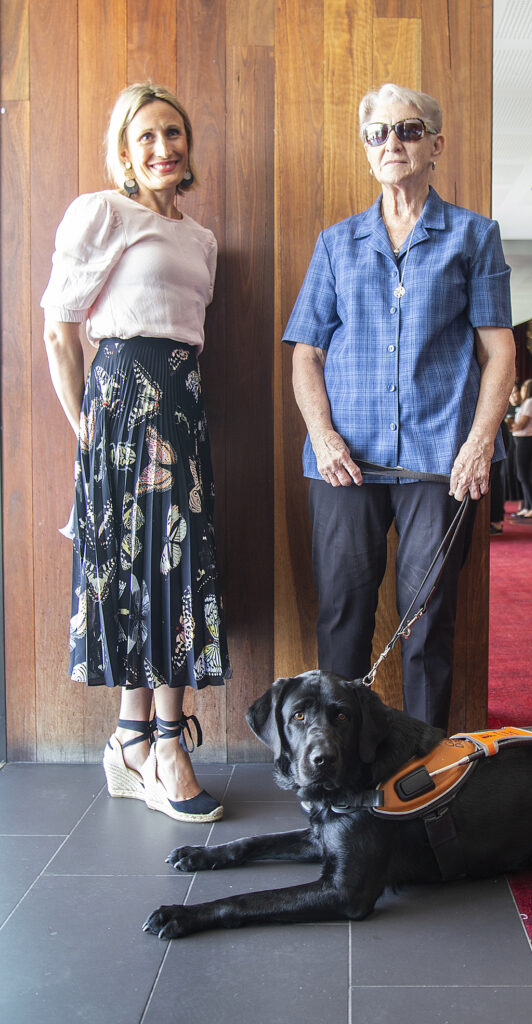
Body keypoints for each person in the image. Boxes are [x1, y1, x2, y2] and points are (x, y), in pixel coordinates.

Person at [283, 83, 515, 730]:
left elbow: (498, 353)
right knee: (343, 613)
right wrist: (323, 436)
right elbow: (305, 353)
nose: (393, 143)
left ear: (434, 144)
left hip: (439, 460)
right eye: (378, 133)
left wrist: (477, 446)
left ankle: (425, 769)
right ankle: (338, 760)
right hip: (344, 462)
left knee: (428, 615)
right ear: (366, 149)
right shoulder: (336, 244)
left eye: (408, 130)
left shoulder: (473, 237)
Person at [41, 83, 230, 823]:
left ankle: (133, 739)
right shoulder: (101, 213)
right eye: (146, 136)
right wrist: (82, 427)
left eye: (174, 134)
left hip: (183, 404)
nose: (163, 148)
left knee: (173, 563)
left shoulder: (201, 239)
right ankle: (163, 746)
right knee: (137, 566)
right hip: (122, 406)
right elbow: (60, 331)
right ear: (125, 150)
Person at [511, 379, 532, 519]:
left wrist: (510, 425)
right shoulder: (527, 403)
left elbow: (521, 425)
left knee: (523, 475)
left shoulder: (530, 402)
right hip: (524, 440)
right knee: (522, 475)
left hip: (526, 440)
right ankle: (528, 506)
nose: (521, 391)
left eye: (523, 388)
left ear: (528, 389)